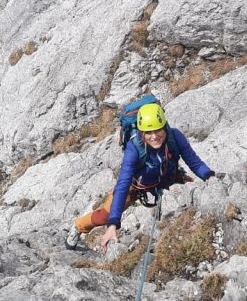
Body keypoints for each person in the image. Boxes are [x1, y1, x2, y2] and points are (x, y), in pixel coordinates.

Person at [65, 101, 220, 252]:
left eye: (158, 130)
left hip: (168, 178)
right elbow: (123, 184)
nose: (154, 136)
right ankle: (78, 226)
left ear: (165, 127)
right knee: (106, 215)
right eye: (148, 132)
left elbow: (194, 162)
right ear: (141, 132)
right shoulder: (134, 148)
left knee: (191, 200)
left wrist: (209, 176)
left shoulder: (175, 137)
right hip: (137, 186)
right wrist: (113, 224)